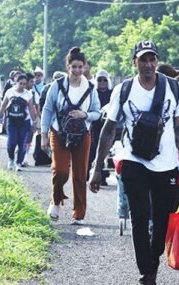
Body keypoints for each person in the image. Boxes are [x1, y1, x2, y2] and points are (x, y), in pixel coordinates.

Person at [89, 40, 179, 285]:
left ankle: (152, 262)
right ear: (134, 62)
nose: (148, 64)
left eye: (152, 59)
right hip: (134, 160)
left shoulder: (173, 88)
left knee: (162, 220)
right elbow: (109, 129)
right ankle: (146, 274)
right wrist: (96, 168)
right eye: (142, 60)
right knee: (138, 216)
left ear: (156, 62)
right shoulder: (124, 90)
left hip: (167, 163)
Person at [41, 47, 101, 225]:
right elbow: (47, 109)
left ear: (85, 68)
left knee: (80, 174)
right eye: (73, 67)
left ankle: (79, 213)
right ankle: (55, 201)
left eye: (80, 67)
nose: (76, 70)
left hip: (82, 134)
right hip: (59, 132)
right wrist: (43, 134)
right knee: (60, 171)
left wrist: (86, 115)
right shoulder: (57, 85)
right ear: (68, 67)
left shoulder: (91, 88)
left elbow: (98, 112)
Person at [0, 74, 38, 171]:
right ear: (16, 82)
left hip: (24, 122)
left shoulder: (28, 94)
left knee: (22, 143)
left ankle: (19, 163)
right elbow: (3, 106)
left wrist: (34, 122)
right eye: (20, 83)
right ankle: (11, 159)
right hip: (12, 121)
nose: (23, 86)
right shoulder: (10, 92)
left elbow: (31, 109)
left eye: (24, 84)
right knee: (12, 142)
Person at [89, 69, 113, 181]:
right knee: (93, 149)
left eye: (104, 80)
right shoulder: (92, 93)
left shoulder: (112, 94)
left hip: (108, 125)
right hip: (94, 124)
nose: (102, 82)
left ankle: (102, 175)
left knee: (105, 149)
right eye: (99, 80)